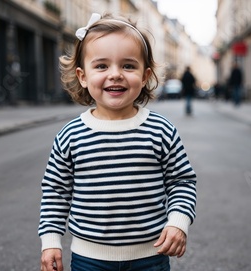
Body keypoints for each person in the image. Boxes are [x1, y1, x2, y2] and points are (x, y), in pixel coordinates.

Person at [38, 13, 198, 271]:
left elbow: (182, 181)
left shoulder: (161, 130)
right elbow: (55, 192)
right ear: (82, 76)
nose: (115, 75)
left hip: (151, 256)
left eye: (128, 66)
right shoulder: (70, 135)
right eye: (101, 66)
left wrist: (178, 222)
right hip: (89, 258)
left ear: (145, 76)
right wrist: (50, 241)